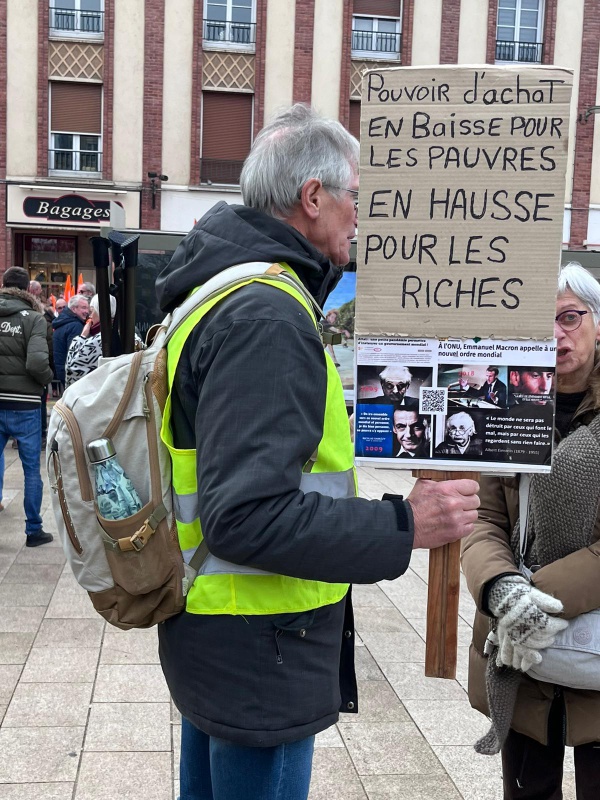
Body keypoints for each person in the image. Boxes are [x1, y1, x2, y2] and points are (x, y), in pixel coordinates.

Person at [154, 104, 480, 800]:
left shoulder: (225, 291)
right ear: (312, 197)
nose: (360, 215)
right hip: (260, 653)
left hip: (225, 639)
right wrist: (404, 524)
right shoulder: (267, 316)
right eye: (355, 196)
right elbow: (246, 515)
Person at [461, 262, 600, 799]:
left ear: (597, 322)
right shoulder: (508, 410)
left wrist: (536, 597)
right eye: (541, 321)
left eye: (570, 317)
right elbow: (486, 517)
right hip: (521, 659)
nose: (556, 334)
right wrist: (501, 588)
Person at [0, 267, 54, 545]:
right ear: (26, 290)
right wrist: (47, 380)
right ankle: (33, 530)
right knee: (31, 469)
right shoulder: (34, 319)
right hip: (25, 403)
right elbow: (36, 362)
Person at [28, 280, 53, 445]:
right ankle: (40, 435)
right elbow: (46, 352)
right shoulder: (40, 320)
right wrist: (47, 375)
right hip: (33, 377)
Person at [52, 293, 89, 388]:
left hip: (63, 372)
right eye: (83, 308)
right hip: (73, 375)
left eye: (87, 308)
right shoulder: (76, 326)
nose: (87, 311)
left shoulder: (62, 323)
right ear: (73, 309)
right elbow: (76, 354)